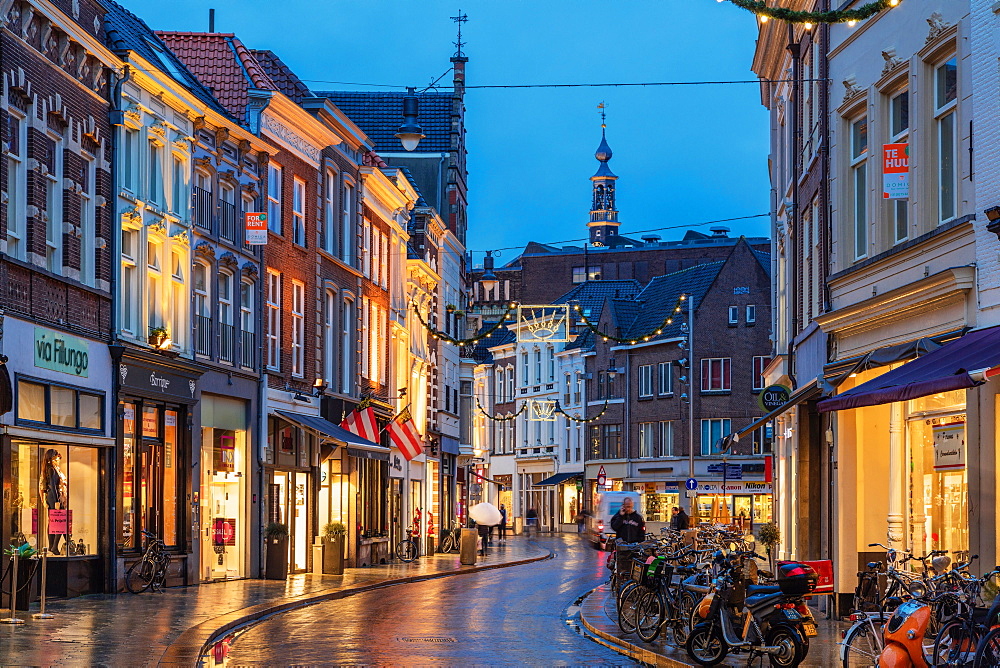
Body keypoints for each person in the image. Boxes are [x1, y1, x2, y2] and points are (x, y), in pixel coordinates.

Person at [39, 449, 68, 555]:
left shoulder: (54, 469)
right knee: (59, 521)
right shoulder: (51, 469)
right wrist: (56, 501)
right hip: (55, 498)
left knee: (54, 521)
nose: (58, 460)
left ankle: (53, 546)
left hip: (56, 497)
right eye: (56, 457)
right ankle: (54, 546)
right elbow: (52, 486)